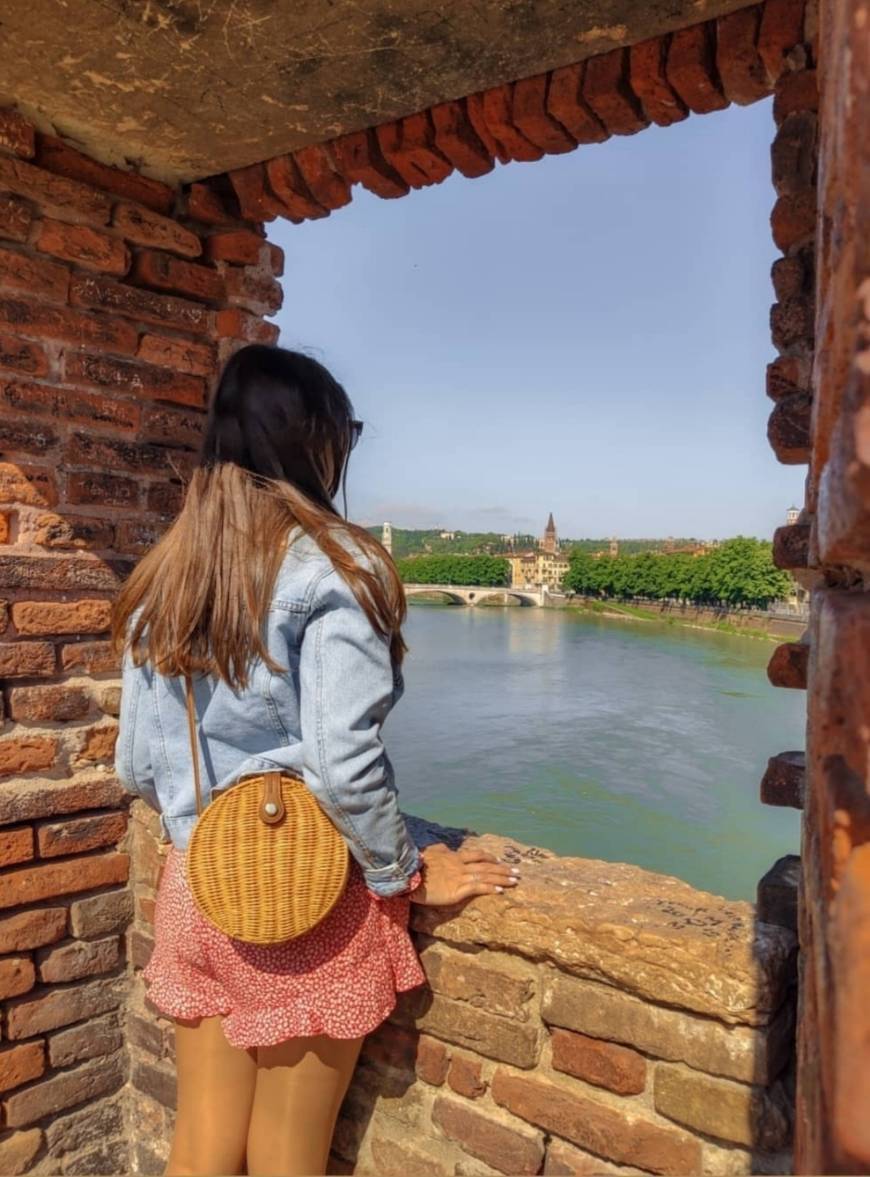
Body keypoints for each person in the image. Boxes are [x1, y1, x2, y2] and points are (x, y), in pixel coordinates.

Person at [111, 344, 521, 1177]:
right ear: (313, 442)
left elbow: (134, 765)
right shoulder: (339, 563)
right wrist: (404, 872)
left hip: (198, 883)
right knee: (286, 1157)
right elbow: (341, 765)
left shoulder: (165, 575)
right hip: (309, 903)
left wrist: (208, 823)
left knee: (201, 1143)